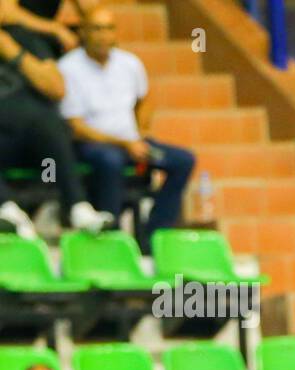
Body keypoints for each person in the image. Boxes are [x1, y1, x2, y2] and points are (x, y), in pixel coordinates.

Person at [58, 3, 194, 252]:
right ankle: (111, 241)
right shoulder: (68, 68)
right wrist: (124, 144)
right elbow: (75, 126)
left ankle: (154, 238)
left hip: (133, 143)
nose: (103, 35)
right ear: (83, 33)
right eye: (96, 29)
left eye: (109, 28)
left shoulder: (129, 63)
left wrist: (141, 133)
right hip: (93, 146)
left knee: (182, 160)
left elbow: (145, 99)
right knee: (110, 161)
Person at [0, 2, 112, 235]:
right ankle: (6, 210)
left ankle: (79, 209)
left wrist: (12, 52)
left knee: (50, 120)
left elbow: (57, 88)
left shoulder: (23, 38)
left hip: (36, 145)